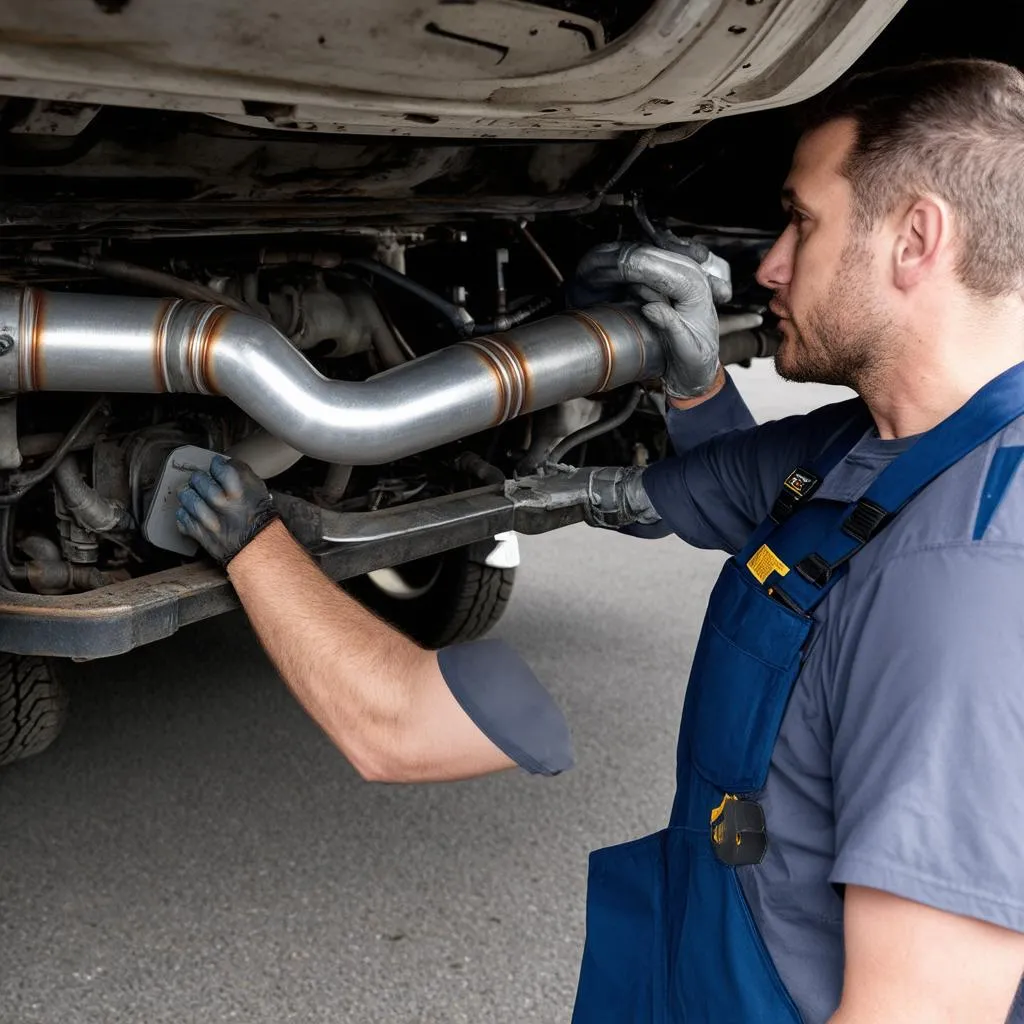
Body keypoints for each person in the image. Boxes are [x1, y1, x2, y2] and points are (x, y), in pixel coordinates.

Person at [176, 58, 1024, 1023]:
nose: (769, 263)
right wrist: (692, 384)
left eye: (803, 223)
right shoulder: (882, 444)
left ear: (917, 238)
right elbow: (710, 491)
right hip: (715, 951)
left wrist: (251, 535)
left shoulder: (973, 584)